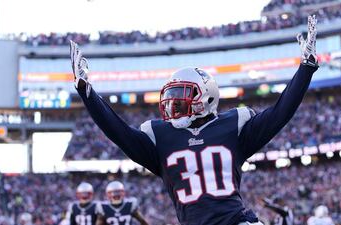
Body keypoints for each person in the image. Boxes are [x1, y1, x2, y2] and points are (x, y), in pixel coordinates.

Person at [70, 15, 319, 225]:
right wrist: (88, 93)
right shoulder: (161, 136)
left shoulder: (234, 126)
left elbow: (280, 113)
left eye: (181, 96)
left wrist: (305, 69)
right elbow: (118, 132)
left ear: (207, 96)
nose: (173, 104)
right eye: (171, 97)